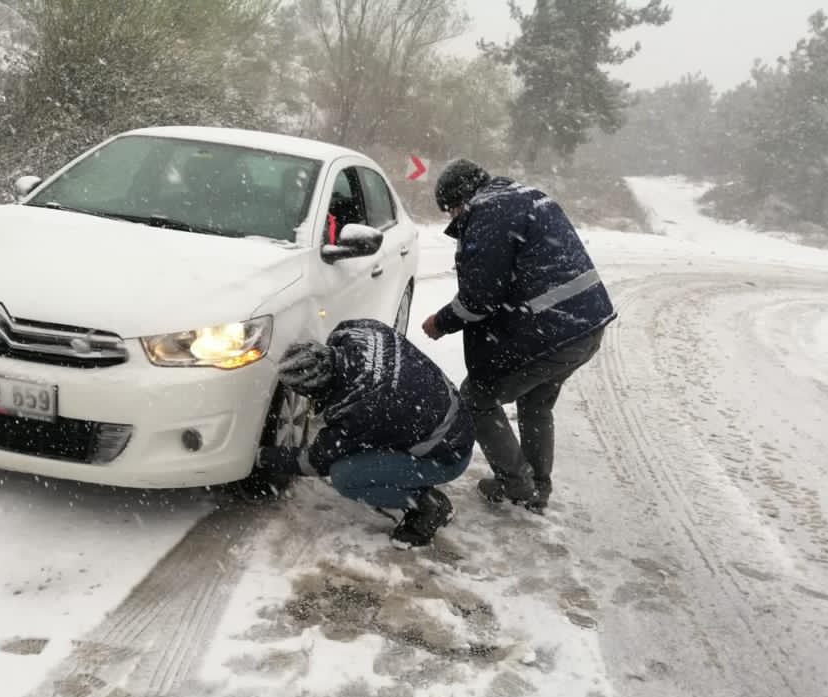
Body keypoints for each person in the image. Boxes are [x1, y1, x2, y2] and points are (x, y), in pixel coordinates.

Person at [422, 159, 616, 511]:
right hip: (585, 327)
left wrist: (442, 322)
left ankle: (516, 484)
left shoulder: (488, 214)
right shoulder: (525, 197)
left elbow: (479, 299)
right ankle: (537, 486)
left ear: (461, 199)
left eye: (450, 209)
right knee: (536, 401)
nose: (452, 217)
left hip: (549, 333)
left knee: (475, 398)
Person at [254, 319, 475, 549]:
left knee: (345, 476)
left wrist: (259, 457)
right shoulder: (355, 331)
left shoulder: (359, 411)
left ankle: (428, 505)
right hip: (455, 417)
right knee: (373, 437)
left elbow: (316, 462)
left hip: (448, 456)